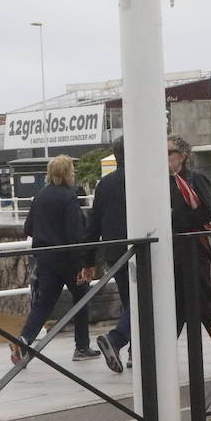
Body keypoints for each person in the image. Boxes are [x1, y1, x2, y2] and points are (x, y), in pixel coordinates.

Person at [14, 155, 101, 365]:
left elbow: (28, 228)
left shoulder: (40, 196)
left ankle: (23, 341)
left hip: (45, 259)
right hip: (68, 259)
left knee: (44, 304)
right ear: (64, 174)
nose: (74, 175)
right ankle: (81, 346)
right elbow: (75, 233)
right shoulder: (68, 198)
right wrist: (83, 263)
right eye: (72, 172)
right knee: (81, 299)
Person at [81, 138, 130, 374]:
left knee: (131, 301)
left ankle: (133, 352)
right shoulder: (147, 179)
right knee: (146, 302)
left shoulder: (105, 184)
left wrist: (88, 261)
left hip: (114, 252)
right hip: (142, 249)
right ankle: (117, 339)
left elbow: (94, 224)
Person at [167, 135, 211, 338]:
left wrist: (174, 218)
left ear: (181, 156)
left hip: (194, 249)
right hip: (172, 250)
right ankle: (158, 353)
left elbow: (207, 212)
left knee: (203, 301)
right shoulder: (163, 183)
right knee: (178, 303)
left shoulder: (195, 179)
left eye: (168, 153)